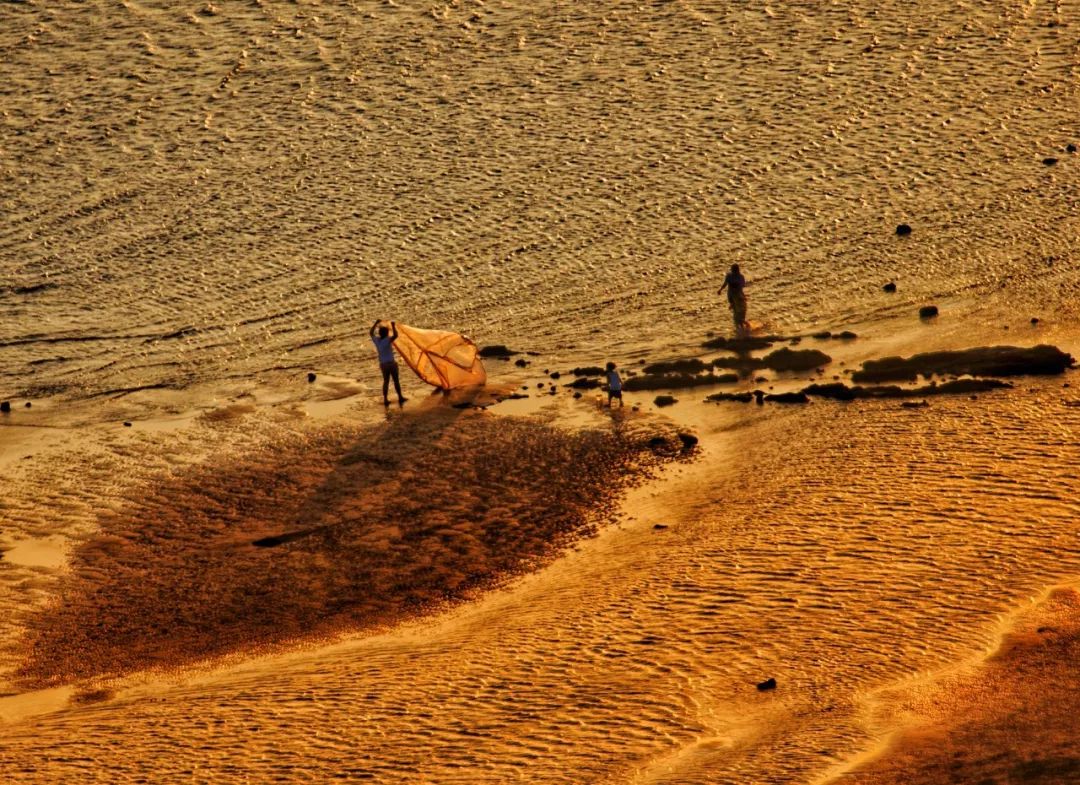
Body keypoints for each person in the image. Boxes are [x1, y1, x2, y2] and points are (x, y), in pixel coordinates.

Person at [370, 319, 406, 405]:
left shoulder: (377, 341)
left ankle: (385, 399)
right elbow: (396, 335)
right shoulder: (388, 339)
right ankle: (400, 397)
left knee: (386, 381)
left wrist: (375, 323)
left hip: (383, 365)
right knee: (396, 381)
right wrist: (393, 326)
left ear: (379, 333)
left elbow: (371, 333)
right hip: (391, 364)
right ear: (386, 333)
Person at [717, 263, 748, 331]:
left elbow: (742, 286)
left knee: (740, 314)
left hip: (738, 295)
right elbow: (725, 283)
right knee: (735, 314)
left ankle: (744, 327)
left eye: (735, 270)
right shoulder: (729, 276)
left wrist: (736, 287)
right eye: (733, 270)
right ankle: (741, 330)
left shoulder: (740, 277)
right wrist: (720, 289)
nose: (734, 271)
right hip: (731, 295)